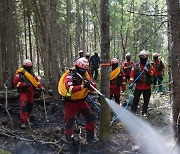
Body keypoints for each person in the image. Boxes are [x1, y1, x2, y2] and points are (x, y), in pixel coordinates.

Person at [58, 57, 97, 144]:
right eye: (82, 70)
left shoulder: (86, 74)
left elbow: (93, 87)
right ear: (77, 67)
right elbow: (70, 88)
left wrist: (91, 84)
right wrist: (83, 86)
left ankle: (90, 138)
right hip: (70, 102)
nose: (84, 72)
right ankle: (68, 138)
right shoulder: (69, 75)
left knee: (90, 117)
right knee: (69, 121)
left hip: (82, 101)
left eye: (85, 70)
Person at [14, 59, 45, 128]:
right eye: (29, 66)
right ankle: (23, 122)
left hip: (31, 92)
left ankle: (27, 119)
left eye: (30, 66)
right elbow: (16, 83)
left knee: (30, 106)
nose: (30, 68)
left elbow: (37, 82)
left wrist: (41, 87)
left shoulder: (31, 74)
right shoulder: (19, 74)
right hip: (24, 92)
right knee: (24, 106)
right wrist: (24, 84)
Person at [129, 50, 154, 117]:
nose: (143, 58)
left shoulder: (149, 65)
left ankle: (144, 112)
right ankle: (133, 112)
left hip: (147, 86)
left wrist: (148, 70)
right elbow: (132, 74)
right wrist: (131, 83)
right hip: (138, 86)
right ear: (139, 57)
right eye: (142, 56)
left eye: (145, 56)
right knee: (135, 100)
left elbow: (152, 73)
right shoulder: (136, 65)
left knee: (146, 100)